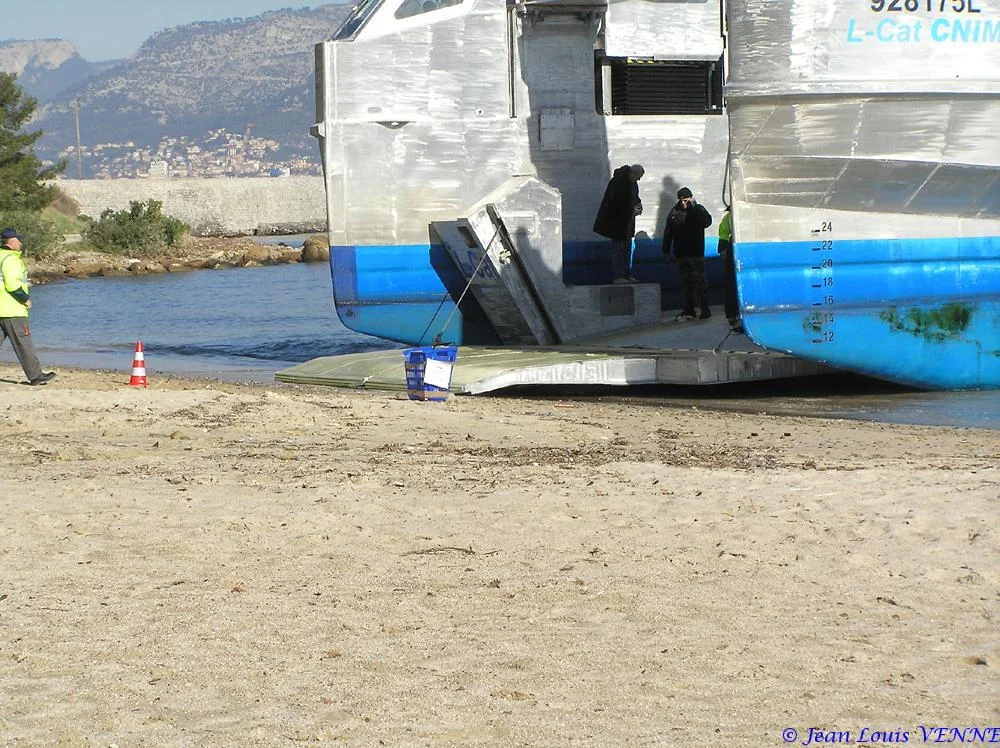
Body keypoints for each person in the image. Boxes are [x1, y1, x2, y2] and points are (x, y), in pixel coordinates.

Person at [0, 228, 56, 386]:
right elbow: (12, 285)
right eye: (19, 240)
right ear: (12, 242)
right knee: (24, 343)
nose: (21, 243)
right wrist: (25, 299)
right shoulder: (11, 259)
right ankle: (36, 376)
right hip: (12, 308)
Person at [662, 187, 713, 320]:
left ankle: (705, 308)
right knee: (686, 284)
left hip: (695, 253)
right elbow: (668, 232)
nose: (683, 203)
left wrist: (696, 208)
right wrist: (666, 251)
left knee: (699, 282)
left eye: (686, 200)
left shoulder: (698, 210)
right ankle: (689, 309)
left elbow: (707, 222)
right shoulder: (674, 212)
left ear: (691, 198)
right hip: (682, 254)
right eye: (681, 200)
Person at [593, 164, 644, 283]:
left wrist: (638, 205)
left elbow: (635, 197)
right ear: (633, 173)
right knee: (618, 249)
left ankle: (627, 274)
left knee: (627, 249)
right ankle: (618, 276)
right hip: (617, 221)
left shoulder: (632, 183)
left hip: (627, 221)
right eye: (638, 177)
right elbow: (616, 202)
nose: (638, 180)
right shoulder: (618, 182)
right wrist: (631, 210)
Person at [718, 207, 744, 333]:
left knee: (731, 284)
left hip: (732, 247)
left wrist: (722, 248)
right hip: (741, 247)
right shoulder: (737, 215)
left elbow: (723, 233)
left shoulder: (728, 217)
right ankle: (736, 317)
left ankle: (733, 318)